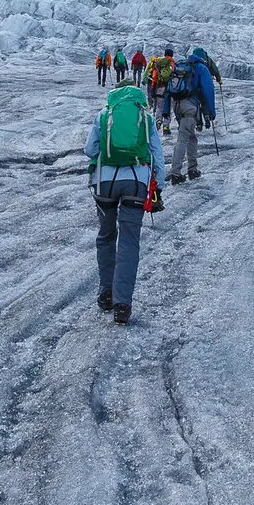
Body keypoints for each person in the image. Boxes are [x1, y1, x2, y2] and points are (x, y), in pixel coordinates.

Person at [84, 84, 164, 325]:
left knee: (106, 235)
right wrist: (158, 186)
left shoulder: (103, 115)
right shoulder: (146, 118)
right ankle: (122, 305)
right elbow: (156, 155)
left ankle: (105, 293)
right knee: (129, 242)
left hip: (104, 184)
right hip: (136, 183)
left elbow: (90, 149)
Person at [161, 47, 218, 184]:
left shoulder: (182, 67)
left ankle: (193, 168)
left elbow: (168, 90)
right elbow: (208, 90)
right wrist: (211, 112)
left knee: (191, 137)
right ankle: (175, 173)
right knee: (183, 138)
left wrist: (166, 110)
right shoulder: (201, 68)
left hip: (177, 105)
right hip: (190, 106)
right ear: (203, 57)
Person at [146, 45, 177, 116]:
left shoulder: (159, 63)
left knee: (159, 107)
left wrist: (153, 89)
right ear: (172, 55)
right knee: (168, 107)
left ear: (164, 54)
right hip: (171, 88)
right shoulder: (173, 64)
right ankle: (166, 125)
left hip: (160, 87)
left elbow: (154, 76)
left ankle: (158, 121)